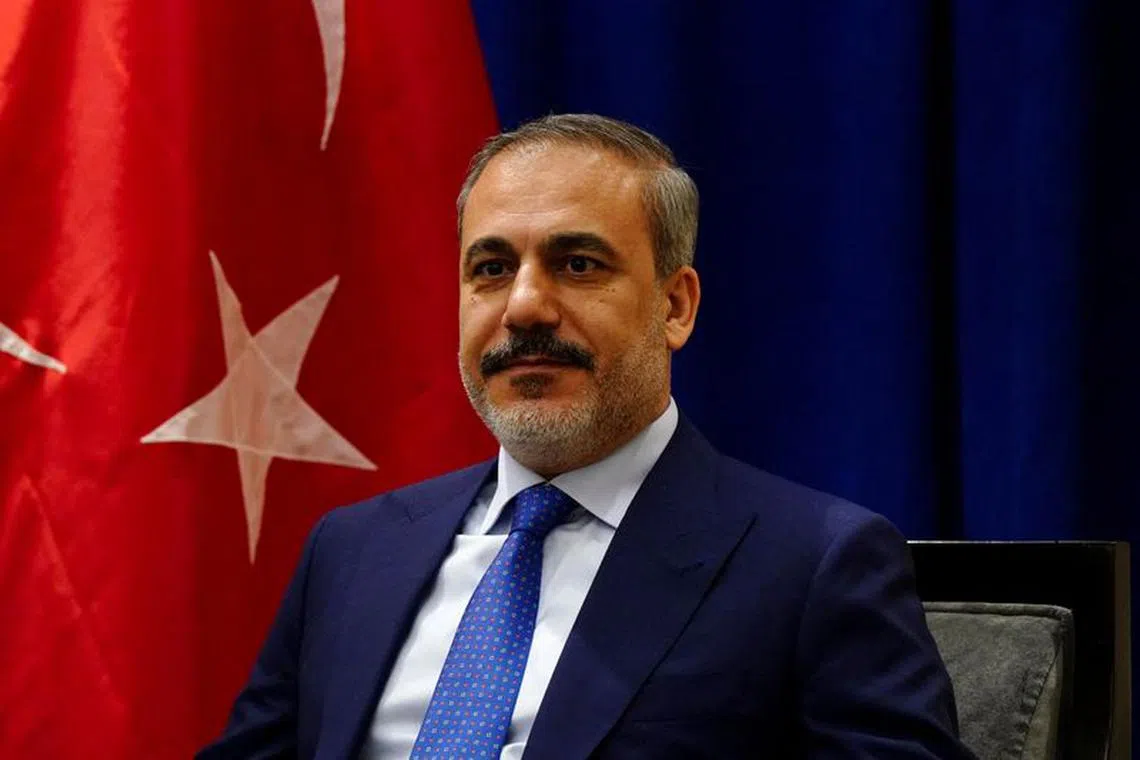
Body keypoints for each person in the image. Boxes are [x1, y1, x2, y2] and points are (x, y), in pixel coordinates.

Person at [200, 114, 974, 759]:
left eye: (576, 264)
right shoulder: (352, 550)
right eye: (491, 268)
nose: (524, 307)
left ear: (675, 306)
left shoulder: (813, 565)